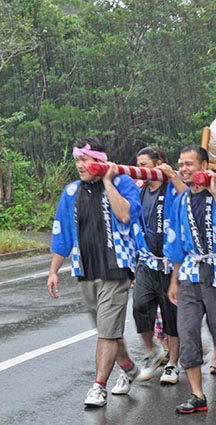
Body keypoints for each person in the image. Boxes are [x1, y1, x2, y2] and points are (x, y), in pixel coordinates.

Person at [46, 136, 144, 407]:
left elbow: (126, 215)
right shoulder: (71, 192)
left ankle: (98, 386)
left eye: (85, 160)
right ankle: (127, 366)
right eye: (77, 160)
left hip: (116, 267)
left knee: (108, 331)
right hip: (86, 268)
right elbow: (62, 233)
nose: (79, 165)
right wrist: (53, 271)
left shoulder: (123, 182)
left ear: (100, 161)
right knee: (106, 329)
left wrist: (109, 182)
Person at [164, 145, 216, 414]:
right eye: (181, 164)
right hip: (190, 271)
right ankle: (198, 395)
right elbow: (175, 244)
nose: (184, 169)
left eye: (190, 164)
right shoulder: (180, 200)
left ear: (204, 165)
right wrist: (174, 280)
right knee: (187, 332)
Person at [131, 146, 186, 386]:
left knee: (172, 317)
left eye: (143, 165)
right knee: (140, 307)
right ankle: (152, 351)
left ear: (159, 164)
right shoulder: (140, 190)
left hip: (170, 263)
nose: (139, 170)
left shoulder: (173, 187)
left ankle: (174, 362)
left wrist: (173, 175)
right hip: (146, 262)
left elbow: (189, 200)